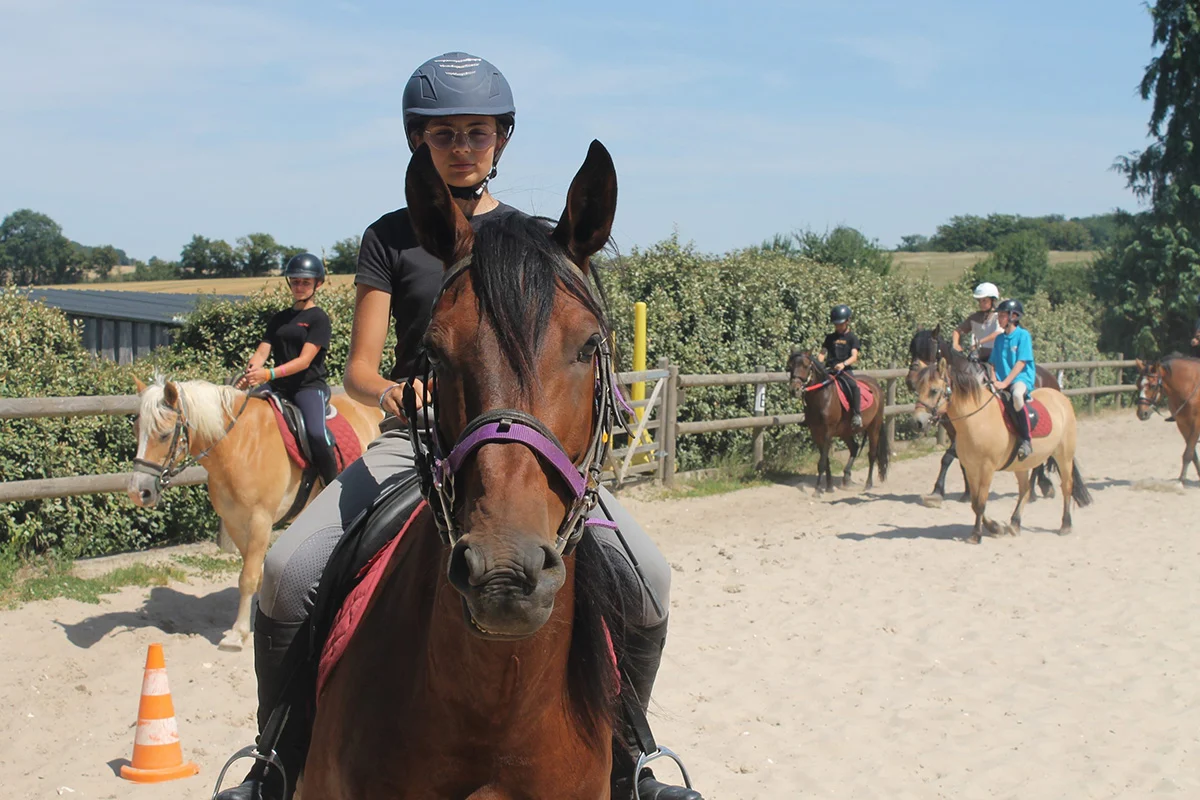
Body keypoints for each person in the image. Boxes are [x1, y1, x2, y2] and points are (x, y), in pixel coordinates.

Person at [216, 52, 699, 800]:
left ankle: (631, 760)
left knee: (648, 581)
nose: (462, 146)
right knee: (287, 573)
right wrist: (396, 395)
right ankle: (276, 759)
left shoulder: (535, 242)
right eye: (444, 134)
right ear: (419, 143)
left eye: (477, 131)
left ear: (501, 140)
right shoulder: (389, 238)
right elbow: (361, 369)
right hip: (415, 438)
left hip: (523, 447)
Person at [235, 252, 337, 486]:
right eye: (295, 281)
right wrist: (251, 372)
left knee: (315, 433)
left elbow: (304, 361)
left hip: (308, 387)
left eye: (305, 282)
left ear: (317, 284)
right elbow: (262, 352)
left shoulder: (319, 319)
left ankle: (332, 485)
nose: (299, 286)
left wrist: (268, 374)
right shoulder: (279, 318)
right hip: (278, 386)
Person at [989, 298, 1036, 460]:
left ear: (1013, 316)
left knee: (1016, 396)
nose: (999, 319)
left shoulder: (1023, 336)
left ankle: (1026, 439)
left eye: (1002, 316)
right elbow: (993, 363)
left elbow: (1021, 363)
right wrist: (993, 379)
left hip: (1020, 378)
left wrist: (1005, 383)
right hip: (1001, 380)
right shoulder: (999, 339)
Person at [818, 304, 863, 428]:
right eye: (836, 324)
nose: (837, 326)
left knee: (854, 386)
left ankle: (857, 415)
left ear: (848, 321)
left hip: (845, 370)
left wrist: (843, 364)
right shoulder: (830, 338)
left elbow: (854, 356)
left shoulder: (852, 338)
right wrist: (819, 364)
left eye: (840, 324)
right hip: (830, 370)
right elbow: (822, 353)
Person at [953, 281, 1002, 361]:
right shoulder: (974, 317)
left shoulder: (999, 316)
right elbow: (958, 331)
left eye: (984, 301)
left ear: (992, 300)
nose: (981, 304)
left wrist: (979, 343)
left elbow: (997, 333)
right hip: (976, 356)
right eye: (979, 301)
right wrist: (955, 344)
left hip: (995, 356)